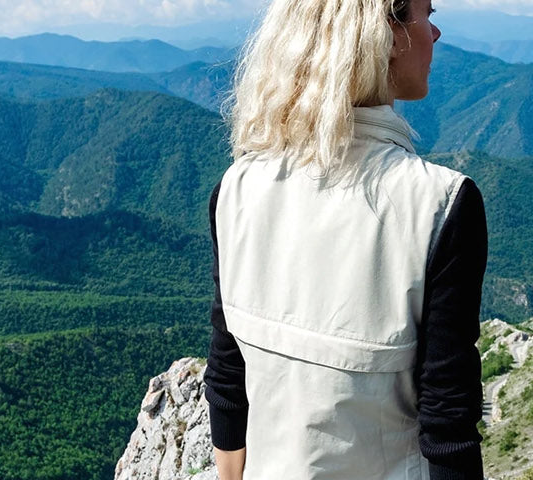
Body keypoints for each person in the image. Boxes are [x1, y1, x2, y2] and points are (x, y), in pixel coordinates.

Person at [201, 0, 486, 478]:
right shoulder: (441, 204)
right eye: (426, 14)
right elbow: (448, 424)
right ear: (389, 33)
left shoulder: (235, 189)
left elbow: (228, 377)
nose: (435, 33)